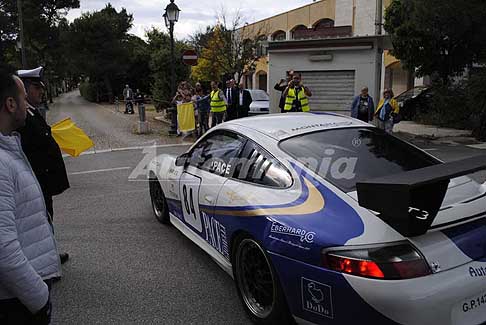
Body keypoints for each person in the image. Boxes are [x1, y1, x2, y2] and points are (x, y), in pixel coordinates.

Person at [0, 69, 61, 324]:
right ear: (10, 104)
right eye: (24, 98)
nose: (28, 104)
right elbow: (3, 249)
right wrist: (39, 297)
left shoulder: (9, 147)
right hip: (16, 302)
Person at [17, 67, 70, 265]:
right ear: (25, 89)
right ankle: (45, 260)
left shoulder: (31, 112)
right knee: (40, 219)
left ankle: (49, 253)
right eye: (37, 88)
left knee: (46, 216)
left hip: (43, 180)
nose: (41, 92)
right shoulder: (22, 118)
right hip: (36, 178)